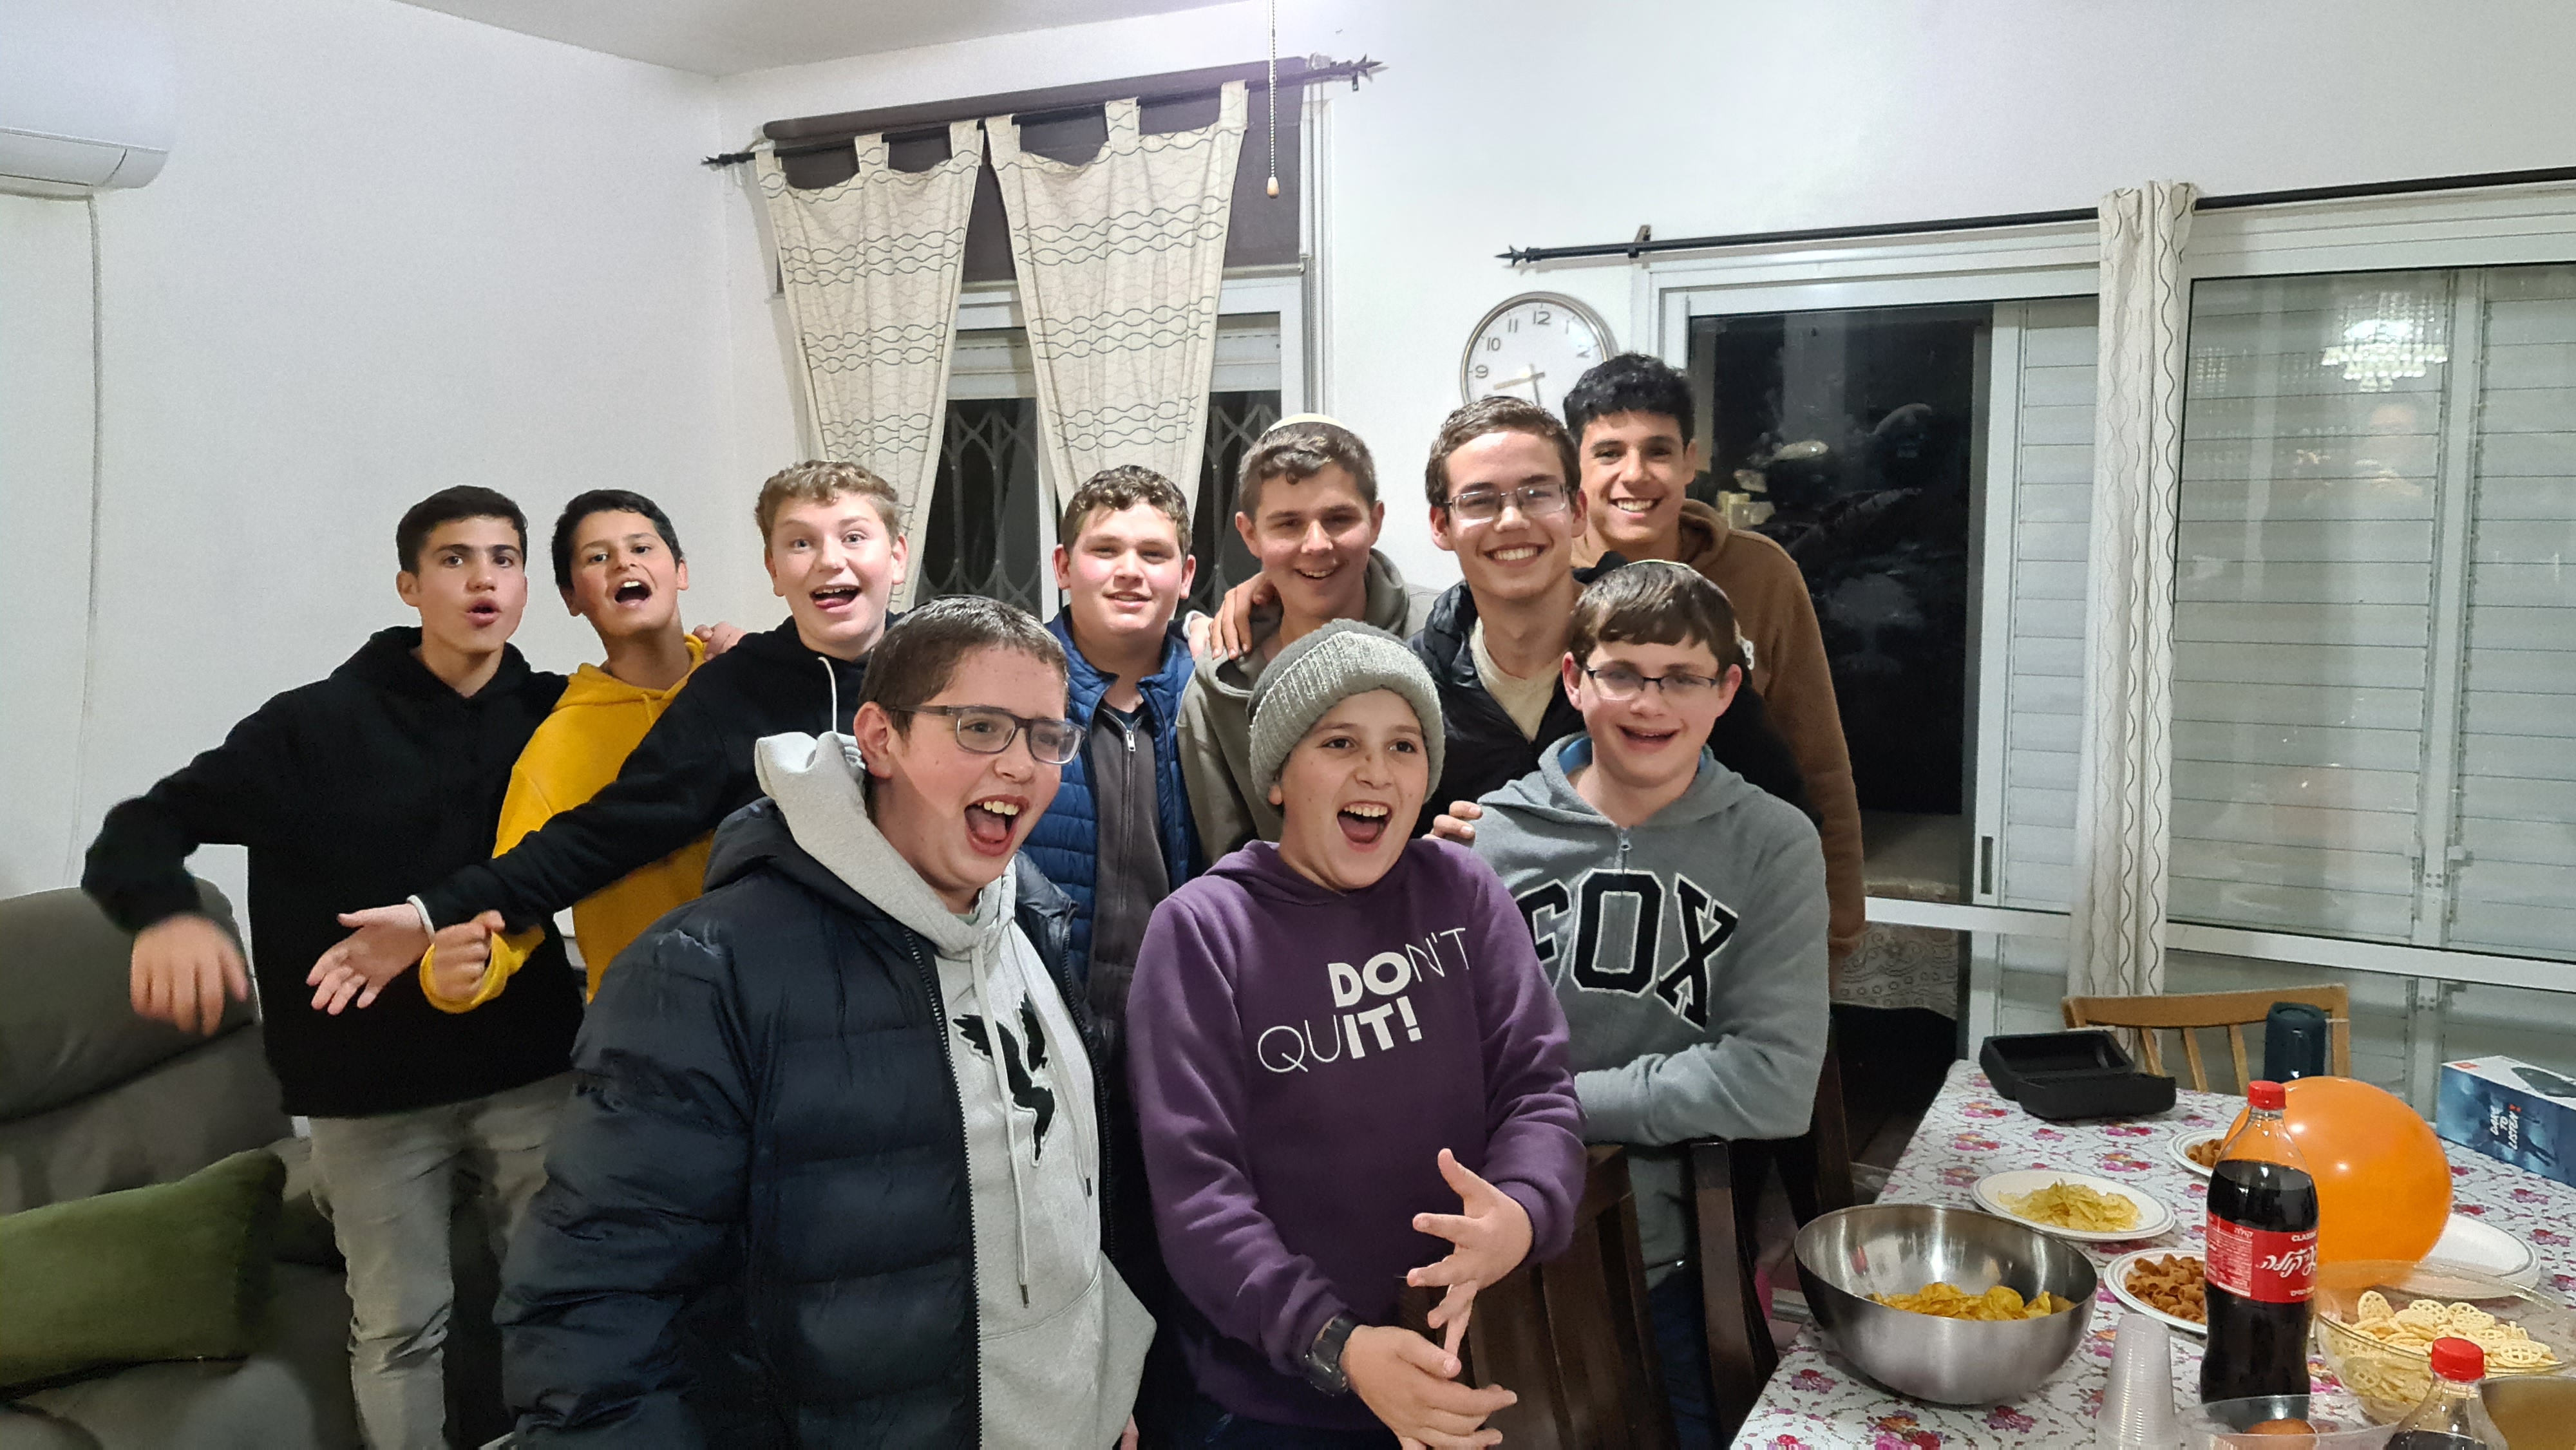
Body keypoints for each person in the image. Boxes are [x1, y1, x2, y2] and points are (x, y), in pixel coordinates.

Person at [499, 597, 1151, 1447]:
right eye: (981, 727)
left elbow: (1058, 1185)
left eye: (1045, 736)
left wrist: (1097, 1378)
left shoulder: (1033, 916)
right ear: (880, 738)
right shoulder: (706, 973)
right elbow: (592, 1317)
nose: (1021, 765)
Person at [82, 486, 583, 1450]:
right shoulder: (312, 726)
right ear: (409, 585)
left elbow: (662, 756)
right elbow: (144, 825)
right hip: (368, 1086)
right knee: (401, 1325)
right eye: (454, 559)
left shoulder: (557, 715)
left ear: (528, 584)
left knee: (558, 1295)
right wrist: (167, 914)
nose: (482, 580)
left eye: (505, 559)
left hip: (531, 1067)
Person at [1130, 621, 1586, 1448]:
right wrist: (1336, 1343)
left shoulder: (1463, 890)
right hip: (1275, 1401)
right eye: (1339, 742)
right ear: (1278, 775)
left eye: (1403, 745)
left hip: (1470, 1365)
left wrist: (1522, 1210)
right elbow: (1198, 1196)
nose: (1376, 770)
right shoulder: (1202, 931)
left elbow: (1538, 1089)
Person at [307, 460, 908, 1008]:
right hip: (684, 1005)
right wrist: (433, 918)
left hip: (891, 985)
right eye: (801, 543)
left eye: (854, 537)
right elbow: (581, 845)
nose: (830, 559)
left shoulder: (922, 667)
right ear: (774, 570)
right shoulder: (722, 693)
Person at [1464, 563, 1830, 1448]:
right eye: (1622, 672)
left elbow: (1773, 1079)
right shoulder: (1489, 838)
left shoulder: (1773, 843)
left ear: (1726, 690)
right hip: (1491, 1242)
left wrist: (1556, 1105)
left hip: (1668, 1256)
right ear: (1574, 679)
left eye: (1682, 677)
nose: (1649, 702)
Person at [1562, 353, 1864, 972]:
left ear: (1690, 461)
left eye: (1658, 451)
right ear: (1576, 467)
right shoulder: (1549, 578)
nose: (1635, 475)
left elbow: (1819, 760)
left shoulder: (1762, 574)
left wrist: (1835, 929)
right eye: (1609, 453)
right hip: (1581, 919)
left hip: (1743, 910)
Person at [1407, 395, 1814, 834]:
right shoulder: (1414, 687)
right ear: (1441, 525)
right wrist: (1424, 861)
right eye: (1479, 500)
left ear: (1577, 511)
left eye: (1538, 494)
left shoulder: (1678, 656)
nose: (1512, 520)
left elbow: (1784, 826)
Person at [421, 487, 731, 1010]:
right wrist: (466, 965)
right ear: (571, 598)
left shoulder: (746, 682)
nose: (623, 563)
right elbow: (518, 889)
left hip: (794, 1003)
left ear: (681, 570)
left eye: (641, 548)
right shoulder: (560, 740)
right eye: (597, 558)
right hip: (652, 1018)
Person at [1176, 418, 1436, 856]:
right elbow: (1233, 863)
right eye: (1288, 524)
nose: (1316, 544)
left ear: (1375, 521)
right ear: (1250, 534)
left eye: (1338, 519)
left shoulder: (1444, 635)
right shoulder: (1216, 693)